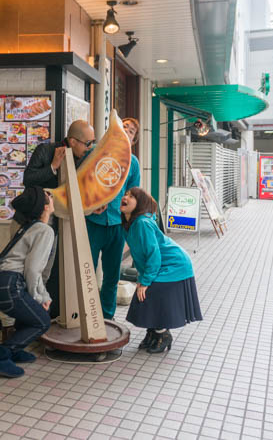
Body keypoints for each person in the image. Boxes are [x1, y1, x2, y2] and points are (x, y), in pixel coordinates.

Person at [22, 120, 95, 318]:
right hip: (32, 223)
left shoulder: (83, 159)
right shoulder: (46, 150)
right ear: (73, 141)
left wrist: (94, 205)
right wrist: (53, 166)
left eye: (92, 142)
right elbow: (27, 179)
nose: (90, 148)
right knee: (28, 272)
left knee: (45, 273)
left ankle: (39, 318)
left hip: (56, 225)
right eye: (87, 143)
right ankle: (18, 323)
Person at [0, 186, 57, 378]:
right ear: (45, 207)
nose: (52, 197)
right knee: (42, 321)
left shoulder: (28, 227)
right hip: (9, 285)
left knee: (30, 313)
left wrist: (39, 296)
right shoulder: (44, 230)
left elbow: (31, 269)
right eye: (49, 196)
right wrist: (40, 297)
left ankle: (15, 351)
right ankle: (0, 356)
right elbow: (33, 269)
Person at [119, 187, 202, 353]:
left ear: (139, 204)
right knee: (143, 293)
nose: (125, 197)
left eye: (131, 196)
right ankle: (153, 333)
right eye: (126, 194)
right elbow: (142, 257)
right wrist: (142, 279)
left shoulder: (142, 223)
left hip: (175, 264)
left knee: (150, 292)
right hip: (164, 264)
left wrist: (145, 282)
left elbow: (153, 255)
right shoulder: (129, 224)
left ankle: (163, 334)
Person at [85, 117, 141, 320]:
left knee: (112, 275)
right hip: (92, 222)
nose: (126, 131)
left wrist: (130, 225)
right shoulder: (95, 153)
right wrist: (91, 204)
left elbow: (132, 195)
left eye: (131, 131)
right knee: (86, 272)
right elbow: (82, 182)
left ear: (133, 140)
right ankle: (86, 316)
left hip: (117, 225)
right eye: (123, 126)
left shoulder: (133, 163)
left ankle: (107, 316)